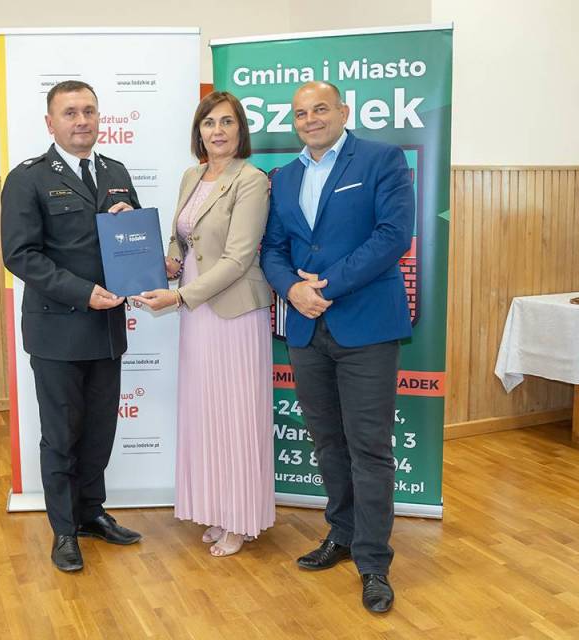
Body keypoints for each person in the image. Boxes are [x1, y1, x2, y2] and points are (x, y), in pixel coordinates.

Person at [260, 81, 414, 613]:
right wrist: (292, 289)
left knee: (369, 449)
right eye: (301, 113)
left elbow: (393, 235)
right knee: (328, 442)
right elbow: (272, 248)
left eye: (320, 109)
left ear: (343, 112)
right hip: (306, 329)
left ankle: (373, 563)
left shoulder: (381, 159)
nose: (310, 119)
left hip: (365, 325)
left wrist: (324, 286)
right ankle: (342, 534)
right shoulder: (285, 176)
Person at [1, 80, 143, 573]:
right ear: (50, 122)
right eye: (70, 112)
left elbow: (129, 243)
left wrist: (143, 259)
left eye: (89, 111)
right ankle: (64, 530)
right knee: (61, 435)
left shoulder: (116, 172)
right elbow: (20, 255)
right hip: (58, 330)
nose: (82, 121)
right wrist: (82, 292)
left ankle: (90, 513)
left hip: (107, 329)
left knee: (100, 431)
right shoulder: (28, 178)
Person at [132, 91, 274, 557]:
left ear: (240, 129)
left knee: (237, 416)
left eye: (227, 122)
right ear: (199, 131)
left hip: (233, 313)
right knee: (207, 414)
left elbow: (238, 258)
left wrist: (179, 295)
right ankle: (217, 508)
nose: (218, 130)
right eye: (209, 122)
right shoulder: (191, 176)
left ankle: (242, 519)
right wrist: (170, 261)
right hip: (196, 311)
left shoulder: (251, 180)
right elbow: (182, 238)